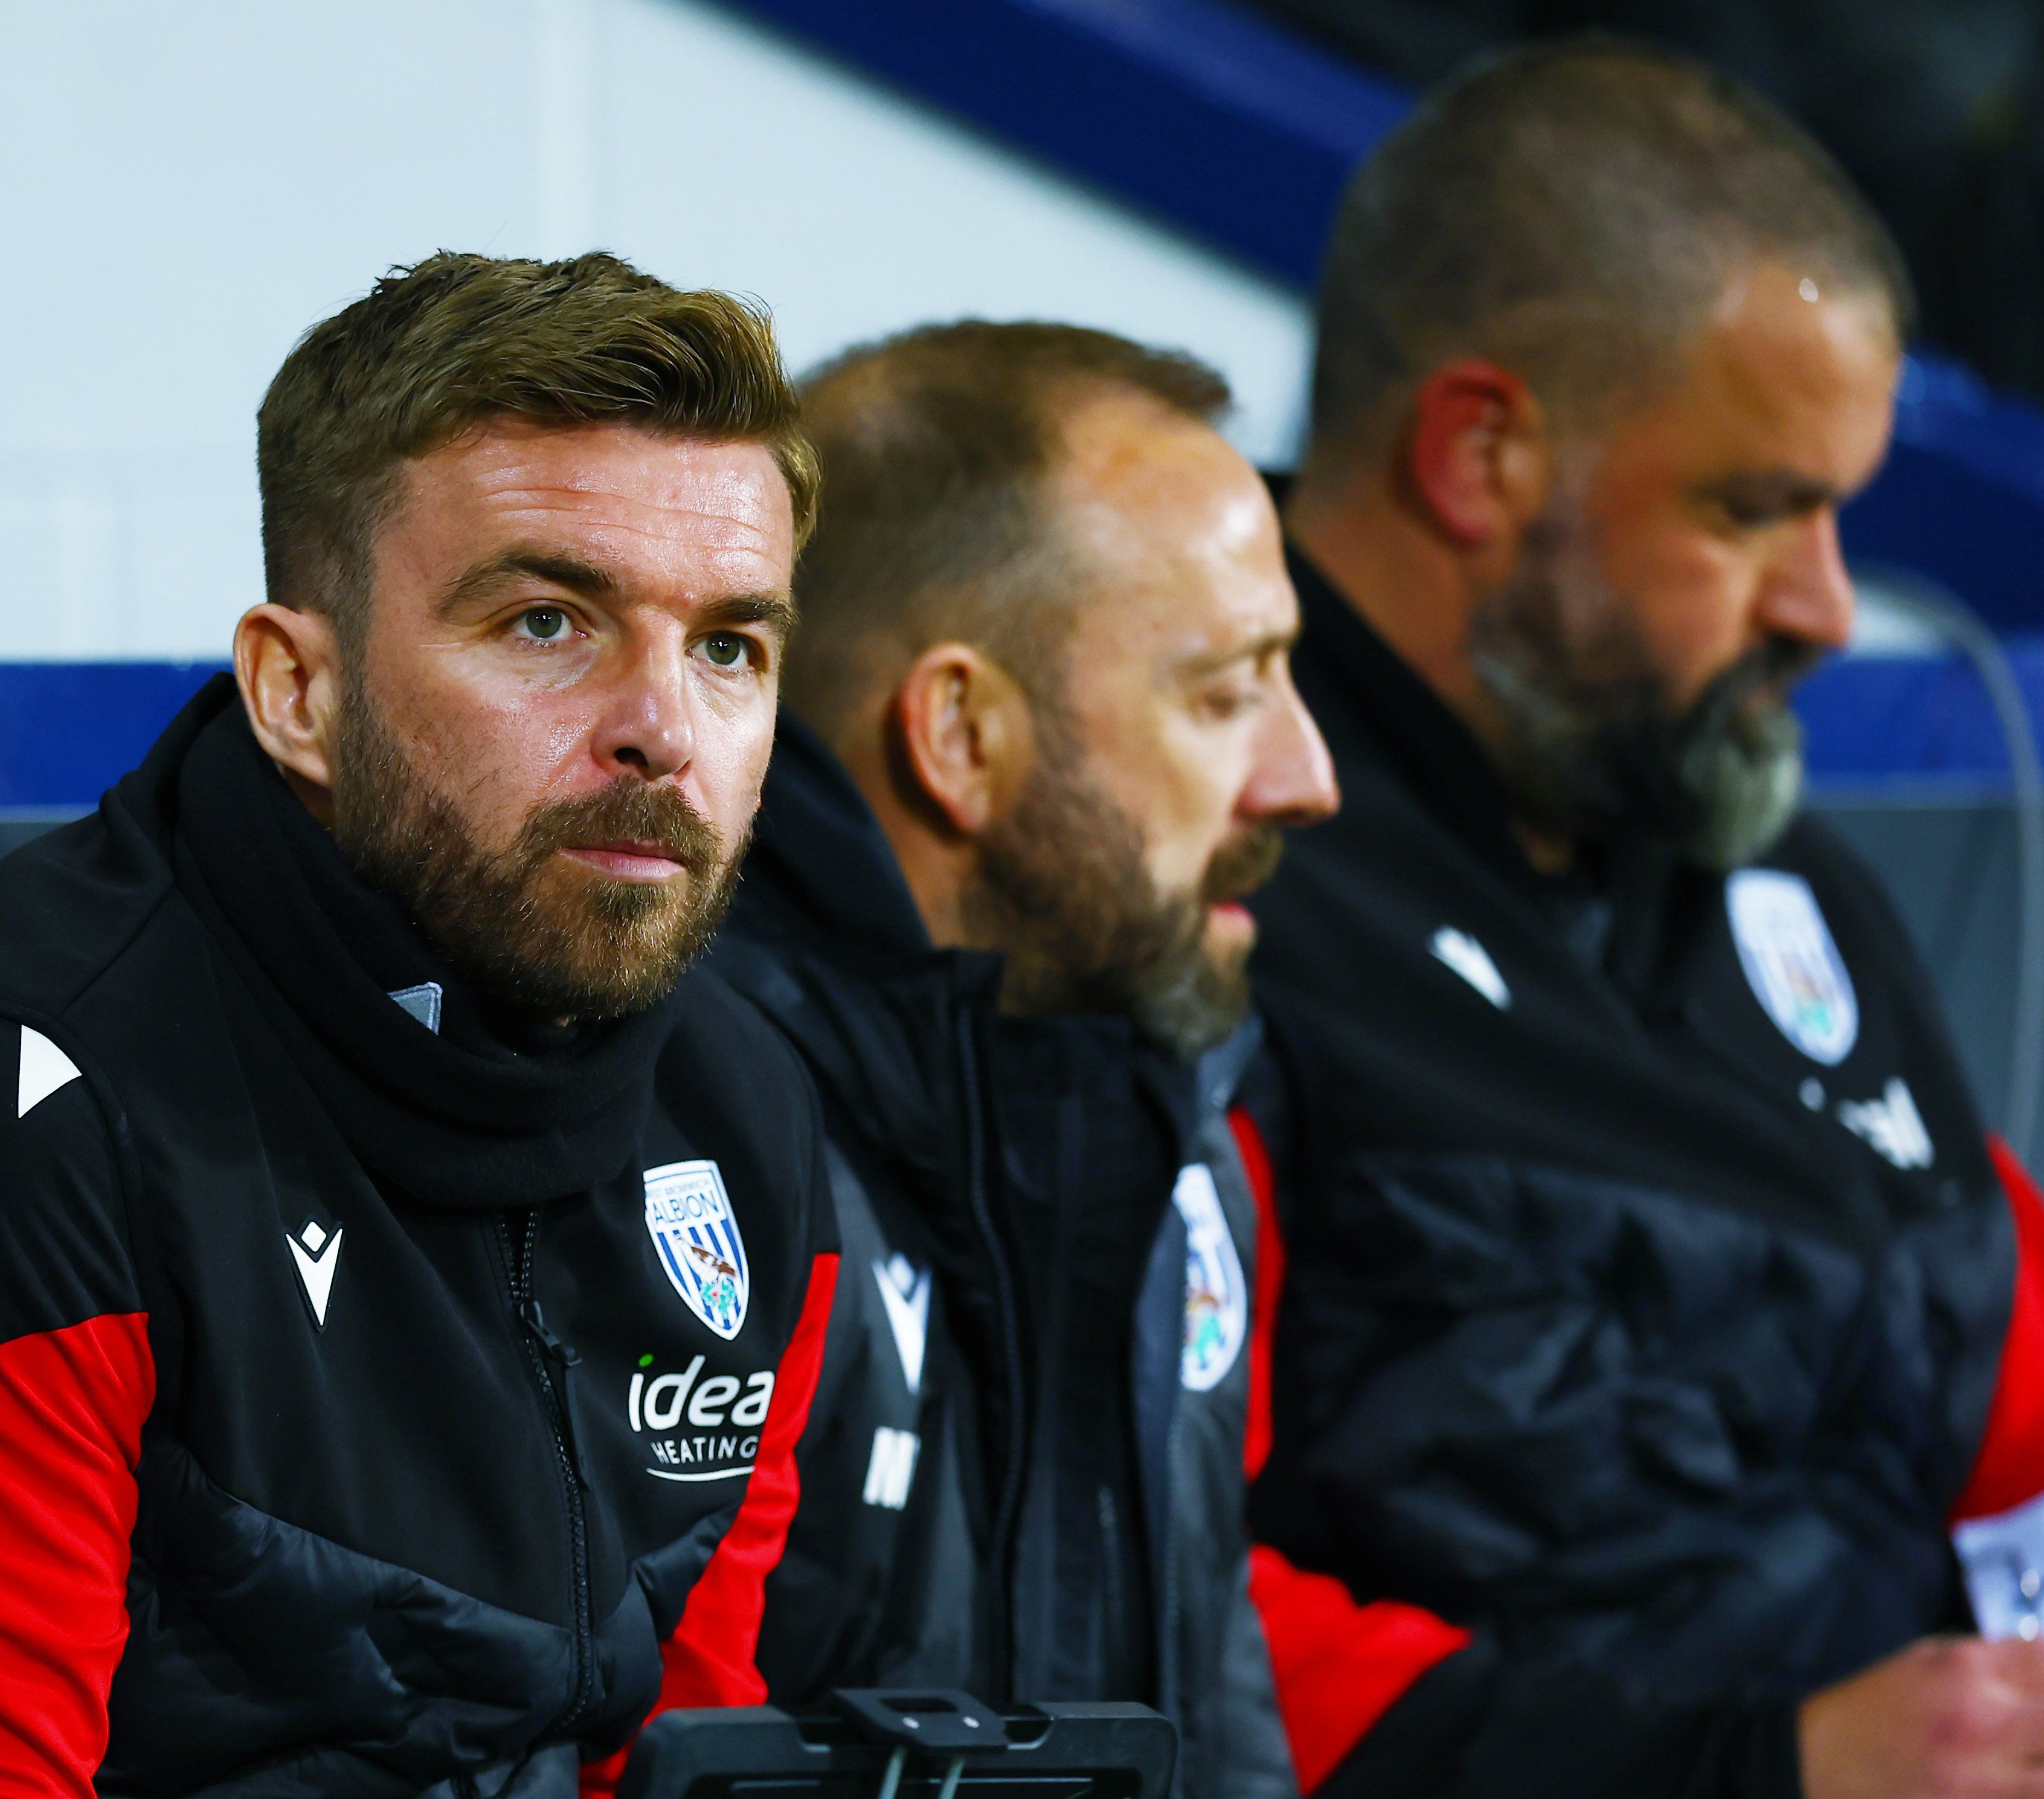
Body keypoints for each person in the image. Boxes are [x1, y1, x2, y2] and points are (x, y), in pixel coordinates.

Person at [0, 251, 842, 1799]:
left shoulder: (741, 1111)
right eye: (549, 624)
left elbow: (686, 1753)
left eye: (729, 647)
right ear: (296, 690)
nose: (664, 729)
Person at [1241, 40, 2044, 1799]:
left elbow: (2007, 1395)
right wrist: (1755, 1773)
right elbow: (1120, 1588)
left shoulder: (1761, 860)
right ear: (1481, 456)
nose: (1830, 608)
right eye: (1755, 510)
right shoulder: (1188, 867)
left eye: (1839, 513)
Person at [710, 321, 1338, 1797]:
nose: (1305, 778)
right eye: (1224, 692)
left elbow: (1221, 1740)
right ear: (960, 734)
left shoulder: (1175, 1128)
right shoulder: (684, 1155)